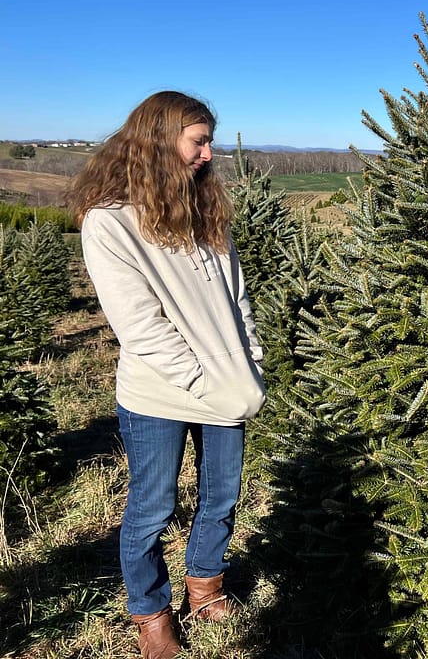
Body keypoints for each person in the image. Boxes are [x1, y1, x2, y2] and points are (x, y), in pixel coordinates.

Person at [66, 92, 265, 658]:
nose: (207, 154)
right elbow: (141, 327)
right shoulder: (110, 223)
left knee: (222, 495)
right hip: (159, 393)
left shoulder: (205, 212)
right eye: (197, 142)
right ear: (158, 140)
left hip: (226, 383)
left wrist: (248, 360)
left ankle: (205, 585)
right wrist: (210, 384)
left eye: (209, 142)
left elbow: (236, 299)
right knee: (152, 508)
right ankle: (151, 613)